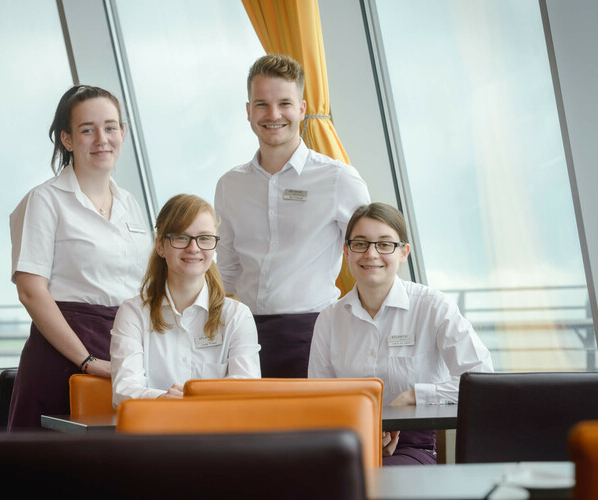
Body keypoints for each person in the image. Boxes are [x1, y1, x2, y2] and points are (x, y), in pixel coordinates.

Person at [214, 54, 371, 378]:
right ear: (248, 111)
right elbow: (226, 270)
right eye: (262, 104)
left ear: (301, 109)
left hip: (315, 332)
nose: (273, 115)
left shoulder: (338, 179)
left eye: (284, 103)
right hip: (244, 335)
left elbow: (374, 256)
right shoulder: (230, 185)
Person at [8, 85, 151, 429]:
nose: (102, 138)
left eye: (111, 127)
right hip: (63, 353)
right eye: (88, 130)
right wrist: (87, 360)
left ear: (123, 133)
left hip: (124, 350)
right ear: (68, 140)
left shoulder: (130, 204)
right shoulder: (45, 200)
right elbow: (31, 291)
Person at [308, 202, 493, 465]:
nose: (371, 254)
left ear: (404, 252)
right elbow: (319, 401)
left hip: (413, 447)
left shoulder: (433, 307)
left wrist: (416, 396)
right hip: (346, 442)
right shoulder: (329, 318)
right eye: (360, 244)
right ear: (346, 252)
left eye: (384, 244)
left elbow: (481, 381)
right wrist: (364, 436)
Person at [110, 194, 261, 404]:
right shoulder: (133, 313)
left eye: (205, 238)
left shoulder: (237, 316)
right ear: (160, 246)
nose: (194, 248)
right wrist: (166, 399)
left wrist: (195, 399)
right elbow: (124, 391)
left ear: (215, 245)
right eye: (181, 237)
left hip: (217, 433)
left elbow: (248, 387)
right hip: (154, 431)